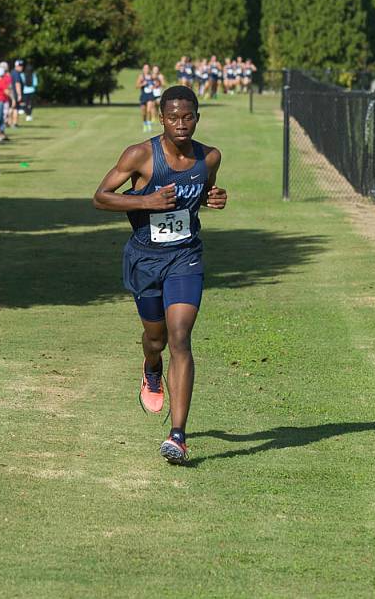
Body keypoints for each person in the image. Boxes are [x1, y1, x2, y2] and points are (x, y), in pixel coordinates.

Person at [92, 85, 228, 464]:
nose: (180, 124)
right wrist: (145, 200)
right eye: (173, 118)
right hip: (145, 260)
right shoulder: (140, 155)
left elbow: (198, 194)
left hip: (185, 256)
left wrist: (212, 198)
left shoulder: (210, 157)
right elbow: (100, 197)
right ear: (161, 118)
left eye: (188, 117)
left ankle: (178, 435)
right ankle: (151, 369)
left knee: (180, 336)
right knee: (157, 340)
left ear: (197, 118)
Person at [136, 64, 154, 131]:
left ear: (149, 69)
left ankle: (149, 126)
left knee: (149, 110)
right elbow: (137, 86)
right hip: (143, 95)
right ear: (143, 69)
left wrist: (154, 87)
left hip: (150, 95)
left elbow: (157, 83)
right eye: (145, 68)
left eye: (147, 68)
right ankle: (144, 124)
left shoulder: (152, 76)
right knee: (143, 112)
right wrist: (142, 84)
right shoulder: (141, 76)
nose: (146, 69)